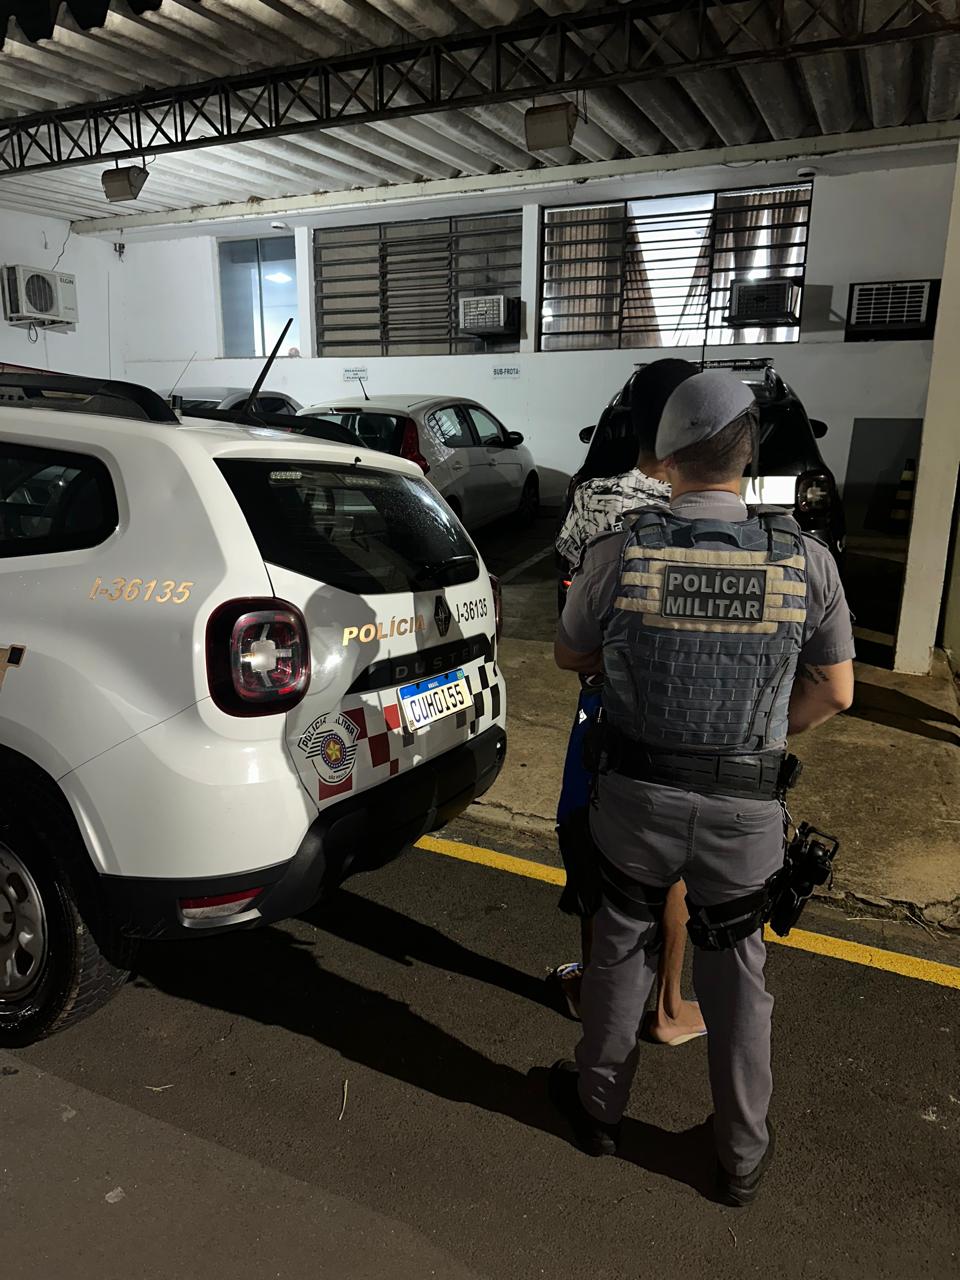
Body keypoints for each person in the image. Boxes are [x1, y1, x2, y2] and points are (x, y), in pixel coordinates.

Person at [548, 370, 855, 1207]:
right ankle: (741, 1155)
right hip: (744, 811)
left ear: (666, 459)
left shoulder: (620, 552)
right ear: (747, 456)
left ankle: (598, 1111)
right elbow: (835, 691)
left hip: (634, 798)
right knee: (738, 978)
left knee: (619, 951)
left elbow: (570, 653)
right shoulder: (804, 560)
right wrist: (756, 740)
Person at [551, 359, 706, 1048]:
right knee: (671, 865)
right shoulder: (715, 507)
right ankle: (668, 1006)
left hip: (607, 707)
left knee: (594, 845)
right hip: (690, 716)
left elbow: (571, 608)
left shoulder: (596, 498)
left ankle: (595, 989)